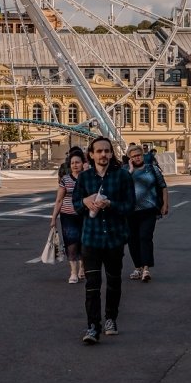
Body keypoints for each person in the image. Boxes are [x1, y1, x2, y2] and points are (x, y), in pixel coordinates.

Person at [73, 136, 134, 344]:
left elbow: (130, 206)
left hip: (115, 238)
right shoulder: (84, 178)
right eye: (99, 151)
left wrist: (110, 205)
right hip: (91, 238)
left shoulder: (123, 176)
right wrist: (84, 201)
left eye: (107, 151)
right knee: (92, 284)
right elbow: (75, 206)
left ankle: (111, 319)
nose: (103, 155)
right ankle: (92, 326)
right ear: (91, 154)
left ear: (111, 153)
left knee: (114, 282)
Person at [124, 144, 170, 282]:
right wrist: (130, 171)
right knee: (132, 240)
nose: (137, 158)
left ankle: (146, 269)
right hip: (130, 211)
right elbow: (120, 186)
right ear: (129, 158)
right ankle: (137, 267)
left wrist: (165, 204)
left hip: (149, 210)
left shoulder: (152, 169)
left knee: (145, 237)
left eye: (139, 155)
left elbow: (163, 187)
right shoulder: (125, 171)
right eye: (134, 156)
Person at [50, 150, 86, 284]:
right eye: (72, 163)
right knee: (71, 243)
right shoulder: (65, 179)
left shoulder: (88, 178)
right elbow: (59, 200)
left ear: (83, 164)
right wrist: (54, 218)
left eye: (78, 162)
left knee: (84, 242)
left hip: (84, 215)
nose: (75, 165)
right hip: (67, 216)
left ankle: (82, 268)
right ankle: (73, 272)